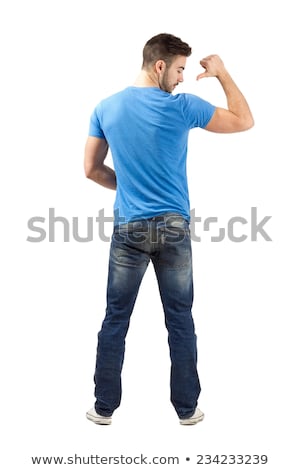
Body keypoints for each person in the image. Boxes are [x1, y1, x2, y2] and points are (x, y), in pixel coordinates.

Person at [84, 33, 254, 426]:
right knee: (180, 318)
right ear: (159, 66)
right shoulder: (183, 109)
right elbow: (244, 121)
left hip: (129, 228)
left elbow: (91, 170)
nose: (181, 78)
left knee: (115, 318)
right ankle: (187, 410)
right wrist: (222, 73)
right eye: (179, 69)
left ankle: (103, 408)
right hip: (173, 230)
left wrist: (126, 185)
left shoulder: (105, 108)